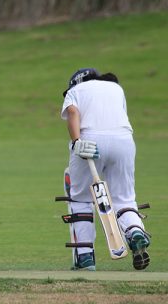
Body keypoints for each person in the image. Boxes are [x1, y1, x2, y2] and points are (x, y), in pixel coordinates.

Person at [61, 68, 151, 271]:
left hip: (90, 139)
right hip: (124, 141)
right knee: (124, 198)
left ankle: (85, 257)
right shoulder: (116, 88)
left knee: (81, 198)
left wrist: (76, 142)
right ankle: (135, 231)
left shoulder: (77, 90)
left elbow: (73, 112)